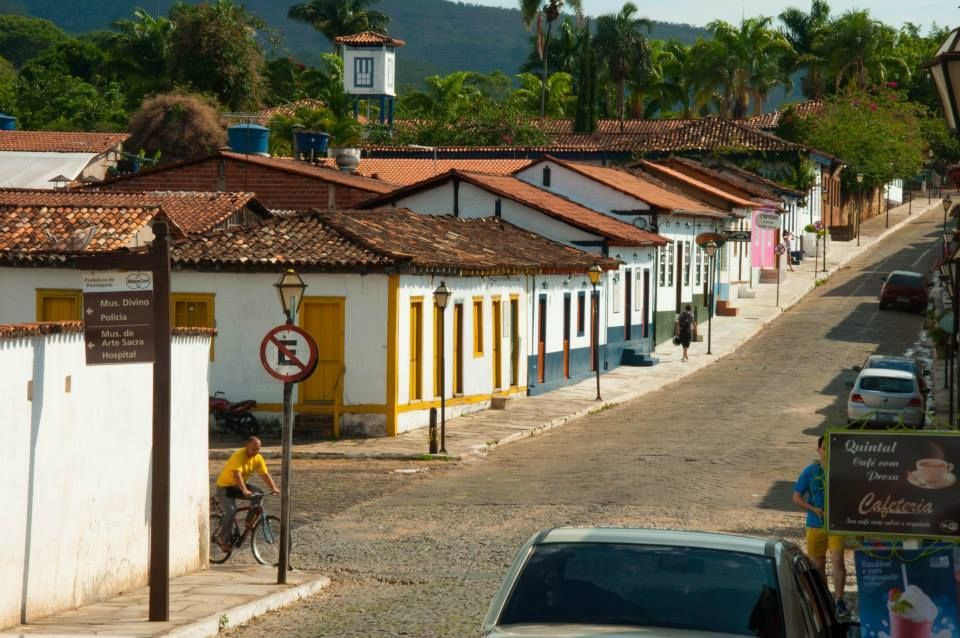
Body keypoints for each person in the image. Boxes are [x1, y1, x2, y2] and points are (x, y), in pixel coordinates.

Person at [792, 436, 847, 616]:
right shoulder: (811, 471)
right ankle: (825, 600)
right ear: (818, 450)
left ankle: (839, 600)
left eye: (830, 448)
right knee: (818, 564)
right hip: (815, 524)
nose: (827, 451)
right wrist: (812, 509)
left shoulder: (841, 471)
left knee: (838, 560)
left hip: (836, 523)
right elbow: (796, 497)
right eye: (824, 448)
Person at [214, 436, 279, 551]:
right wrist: (244, 490)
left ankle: (249, 521)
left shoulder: (258, 458)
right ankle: (222, 538)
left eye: (258, 449)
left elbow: (264, 474)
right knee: (231, 511)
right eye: (253, 449)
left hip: (238, 486)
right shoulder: (239, 455)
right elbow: (236, 474)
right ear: (246, 447)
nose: (256, 452)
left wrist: (273, 487)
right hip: (225, 488)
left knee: (259, 493)